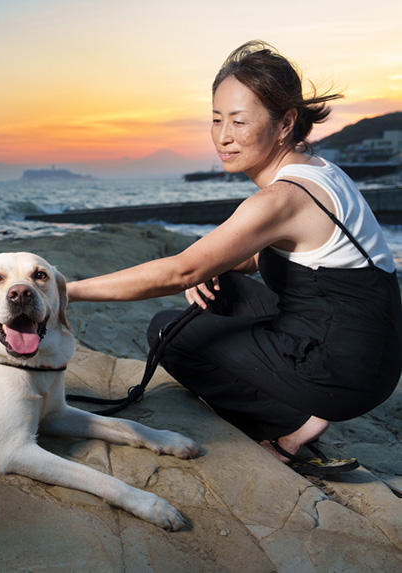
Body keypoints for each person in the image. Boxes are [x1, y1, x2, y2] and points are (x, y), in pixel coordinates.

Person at [66, 40, 402, 476]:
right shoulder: (318, 171)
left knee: (167, 330)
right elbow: (279, 259)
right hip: (371, 348)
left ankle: (292, 428)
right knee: (217, 285)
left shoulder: (282, 197)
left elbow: (179, 270)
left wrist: (64, 290)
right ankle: (301, 404)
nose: (223, 136)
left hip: (346, 369)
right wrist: (216, 266)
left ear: (285, 124)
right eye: (216, 119)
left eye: (239, 121)